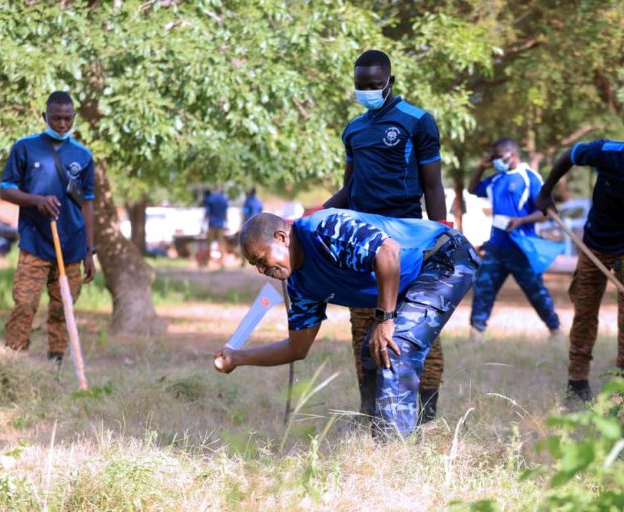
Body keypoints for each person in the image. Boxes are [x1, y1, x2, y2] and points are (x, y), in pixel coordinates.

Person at [213, 210, 479, 438]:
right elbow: (297, 348)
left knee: (394, 346)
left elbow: (388, 251)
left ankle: (396, 454)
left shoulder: (324, 230)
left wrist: (385, 319)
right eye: (255, 266)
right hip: (412, 276)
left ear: (281, 238)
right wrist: (238, 358)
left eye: (261, 260)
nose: (262, 270)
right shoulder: (300, 286)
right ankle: (380, 436)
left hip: (444, 255)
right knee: (371, 352)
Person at [323, 49, 448, 422]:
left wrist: (437, 239)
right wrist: (316, 216)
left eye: (375, 85)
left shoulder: (418, 121)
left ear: (390, 81)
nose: (368, 91)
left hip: (409, 244)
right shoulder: (354, 130)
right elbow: (350, 190)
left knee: (420, 330)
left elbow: (434, 186)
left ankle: (425, 417)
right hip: (362, 246)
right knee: (365, 328)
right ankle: (371, 415)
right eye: (361, 86)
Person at [535, 119, 624, 401]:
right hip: (594, 246)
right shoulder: (605, 152)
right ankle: (577, 383)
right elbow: (570, 156)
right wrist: (545, 192)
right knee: (585, 313)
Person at [0, 91, 96, 364]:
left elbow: (88, 204)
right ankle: (13, 362)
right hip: (35, 243)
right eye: (56, 118)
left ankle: (56, 364)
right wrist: (36, 201)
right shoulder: (25, 148)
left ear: (74, 118)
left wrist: (90, 250)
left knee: (62, 308)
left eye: (67, 119)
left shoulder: (83, 155)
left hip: (72, 247)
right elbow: (6, 189)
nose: (62, 124)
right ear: (45, 117)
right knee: (25, 304)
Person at [467, 138, 562, 343]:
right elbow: (472, 189)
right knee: (483, 288)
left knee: (535, 291)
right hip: (496, 247)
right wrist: (481, 169)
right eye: (494, 159)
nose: (497, 162)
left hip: (522, 248)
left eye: (499, 157)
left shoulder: (529, 178)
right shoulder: (494, 180)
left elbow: (549, 212)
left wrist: (522, 220)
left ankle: (555, 330)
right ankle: (476, 334)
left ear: (513, 154)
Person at [203, 187, 229, 269]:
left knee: (209, 243)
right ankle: (222, 263)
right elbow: (225, 213)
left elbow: (207, 211)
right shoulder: (224, 199)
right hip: (220, 224)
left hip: (211, 224)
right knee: (221, 244)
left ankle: (206, 262)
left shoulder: (210, 199)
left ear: (214, 190)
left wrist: (203, 222)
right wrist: (226, 223)